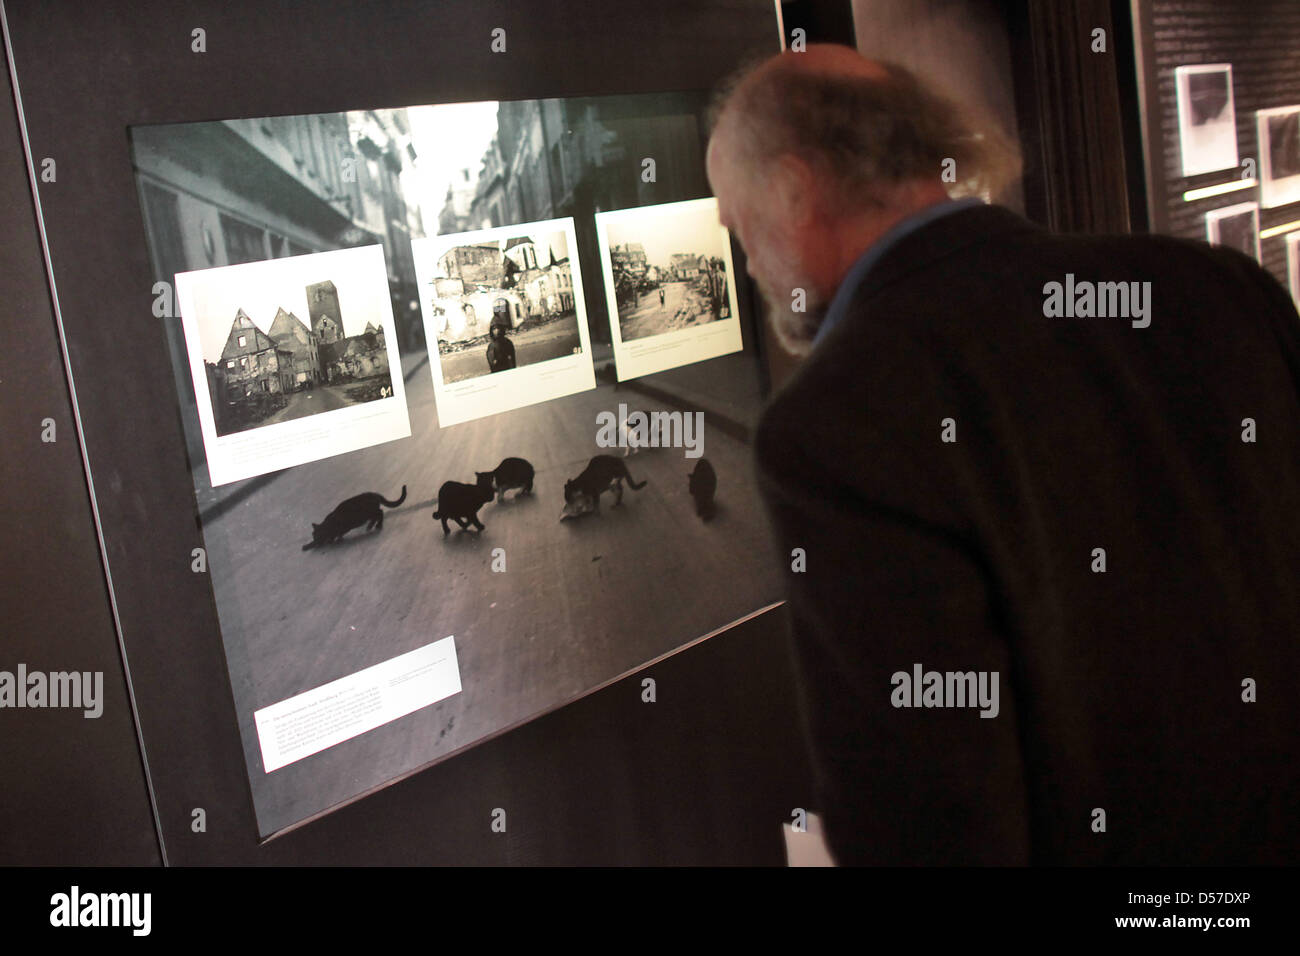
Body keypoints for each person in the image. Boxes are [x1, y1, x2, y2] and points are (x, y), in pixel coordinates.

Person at [706, 45, 1300, 865]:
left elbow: (927, 817)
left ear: (795, 190)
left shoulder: (837, 423)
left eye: (738, 225)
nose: (749, 263)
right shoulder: (1216, 286)